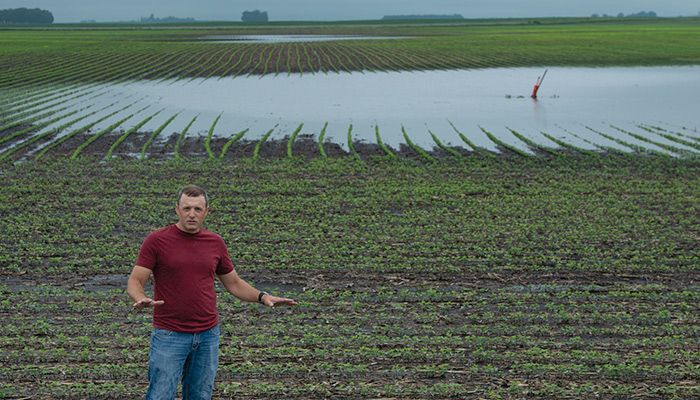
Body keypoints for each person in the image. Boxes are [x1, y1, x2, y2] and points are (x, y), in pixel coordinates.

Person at [127, 184, 297, 400]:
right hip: (170, 334)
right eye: (187, 208)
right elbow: (135, 279)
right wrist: (140, 297)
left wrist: (262, 297)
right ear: (177, 209)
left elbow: (233, 283)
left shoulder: (215, 242)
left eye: (197, 209)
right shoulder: (157, 240)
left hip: (207, 335)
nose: (192, 214)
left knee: (200, 396)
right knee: (160, 395)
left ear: (207, 211)